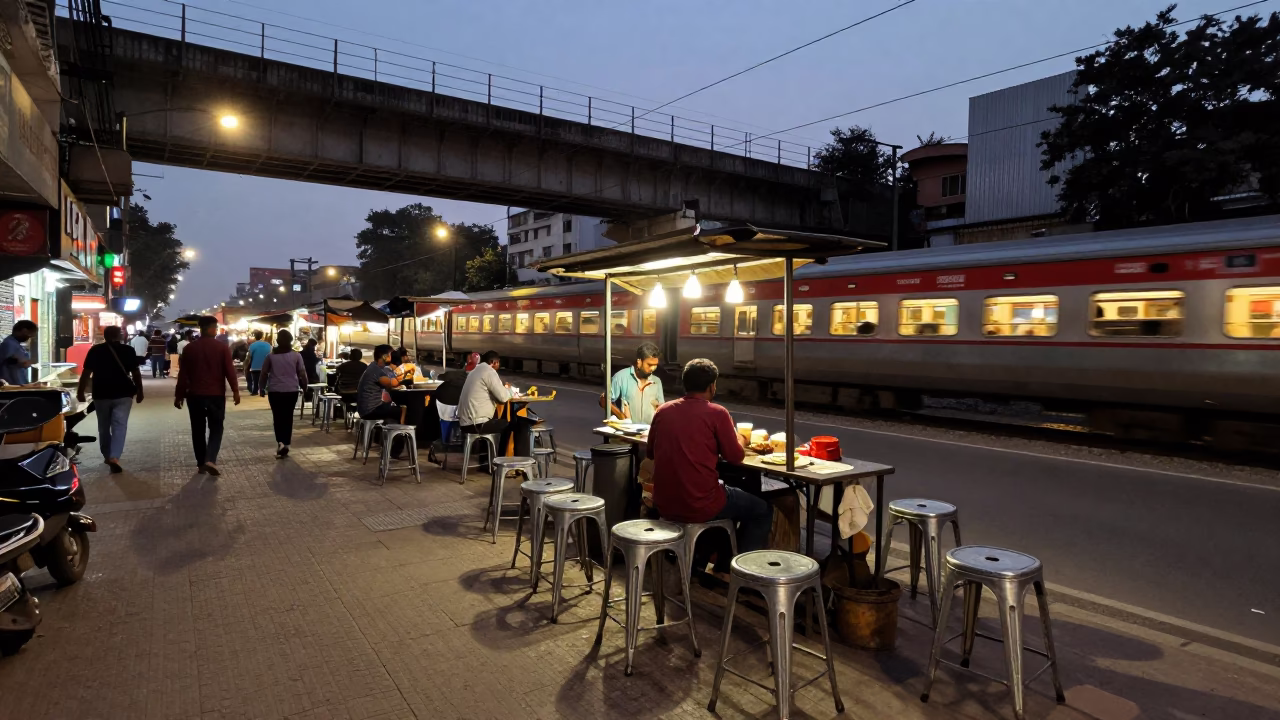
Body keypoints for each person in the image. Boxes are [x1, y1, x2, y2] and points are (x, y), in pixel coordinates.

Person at [646, 358, 772, 553]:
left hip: (664, 502)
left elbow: (650, 453)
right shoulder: (717, 413)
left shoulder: (663, 411)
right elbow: (735, 457)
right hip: (700, 505)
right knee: (761, 510)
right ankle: (740, 571)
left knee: (730, 495)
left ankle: (716, 560)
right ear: (712, 386)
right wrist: (741, 439)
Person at [174, 316, 241, 475]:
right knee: (216, 427)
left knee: (197, 429)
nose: (216, 330)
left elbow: (183, 374)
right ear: (210, 328)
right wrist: (235, 391)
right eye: (215, 327)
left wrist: (179, 395)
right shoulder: (222, 348)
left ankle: (201, 463)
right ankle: (210, 459)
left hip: (194, 395)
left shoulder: (189, 348)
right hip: (215, 395)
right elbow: (229, 372)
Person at [76, 326, 144, 473]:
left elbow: (86, 373)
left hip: (101, 393)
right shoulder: (128, 350)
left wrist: (80, 392)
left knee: (104, 426)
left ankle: (107, 455)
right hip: (123, 393)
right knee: (120, 425)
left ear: (105, 336)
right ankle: (114, 456)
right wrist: (140, 391)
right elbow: (136, 372)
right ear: (119, 336)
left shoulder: (95, 350)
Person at [259, 329, 308, 458]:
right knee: (288, 417)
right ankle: (286, 443)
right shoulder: (296, 355)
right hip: (291, 391)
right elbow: (302, 373)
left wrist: (261, 388)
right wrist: (305, 387)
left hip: (275, 391)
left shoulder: (271, 356)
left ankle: (280, 442)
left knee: (278, 417)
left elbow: (264, 373)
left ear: (278, 341)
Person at [356, 344, 408, 457]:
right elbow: (393, 383)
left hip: (367, 407)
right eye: (391, 355)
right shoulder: (377, 371)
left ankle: (389, 437)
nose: (393, 357)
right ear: (384, 357)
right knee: (403, 410)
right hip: (370, 409)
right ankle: (398, 442)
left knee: (392, 409)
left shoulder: (373, 367)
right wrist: (397, 371)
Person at [600, 342, 664, 424]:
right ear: (639, 362)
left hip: (649, 433)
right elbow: (603, 400)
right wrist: (620, 415)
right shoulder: (621, 377)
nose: (653, 369)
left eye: (655, 365)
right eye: (649, 365)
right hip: (627, 433)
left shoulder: (657, 382)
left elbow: (661, 407)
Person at [458, 350, 512, 440]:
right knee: (511, 425)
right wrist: (509, 390)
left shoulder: (474, 371)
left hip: (464, 423)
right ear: (493, 362)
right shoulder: (489, 372)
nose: (499, 365)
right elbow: (503, 398)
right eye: (498, 363)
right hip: (476, 424)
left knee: (497, 420)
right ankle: (500, 454)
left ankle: (486, 452)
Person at [0, 320, 38, 386]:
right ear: (24, 331)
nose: (28, 338)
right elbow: (5, 361)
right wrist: (20, 362)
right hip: (11, 385)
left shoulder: (16, 344)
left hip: (19, 383)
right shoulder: (9, 344)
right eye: (29, 335)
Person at [245, 330, 272, 396]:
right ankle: (263, 390)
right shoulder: (268, 345)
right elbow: (271, 355)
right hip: (266, 367)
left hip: (255, 366)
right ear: (262, 337)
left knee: (255, 379)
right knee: (265, 379)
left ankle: (255, 391)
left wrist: (246, 366)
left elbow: (249, 357)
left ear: (255, 337)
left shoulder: (252, 346)